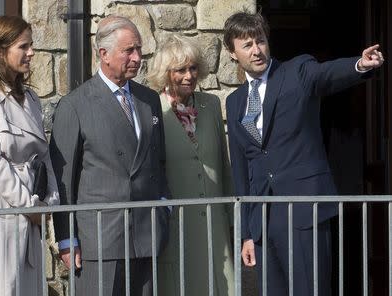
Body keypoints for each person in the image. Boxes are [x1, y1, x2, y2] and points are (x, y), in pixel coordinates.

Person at [223, 11, 384, 296]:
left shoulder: (297, 72)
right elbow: (241, 169)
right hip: (262, 221)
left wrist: (359, 64)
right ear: (232, 52)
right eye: (247, 45)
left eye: (260, 41)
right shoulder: (235, 102)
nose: (257, 50)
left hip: (302, 210)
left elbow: (327, 75)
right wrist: (247, 234)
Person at [49, 15, 170, 296]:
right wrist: (67, 239)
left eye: (139, 49)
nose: (137, 57)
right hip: (100, 240)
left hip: (146, 232)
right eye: (129, 50)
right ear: (103, 54)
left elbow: (158, 161)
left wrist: (164, 205)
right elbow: (63, 179)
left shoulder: (149, 99)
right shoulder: (75, 105)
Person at [0, 15, 60, 296]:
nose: (31, 53)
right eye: (23, 46)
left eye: (31, 46)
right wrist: (28, 206)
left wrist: (49, 203)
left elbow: (44, 156)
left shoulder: (30, 99)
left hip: (31, 212)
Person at [146, 34, 234, 296]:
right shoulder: (153, 110)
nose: (189, 76)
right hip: (176, 227)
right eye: (180, 70)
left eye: (193, 68)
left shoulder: (211, 104)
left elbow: (224, 166)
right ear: (165, 73)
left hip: (215, 227)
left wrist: (231, 219)